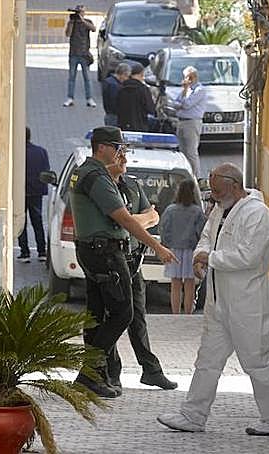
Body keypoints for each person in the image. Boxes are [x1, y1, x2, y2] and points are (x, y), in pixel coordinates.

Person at [157, 163, 269, 437]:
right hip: (218, 300)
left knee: (257, 360)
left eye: (217, 189)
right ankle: (193, 415)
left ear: (233, 185)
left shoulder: (258, 215)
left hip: (247, 301)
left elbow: (249, 257)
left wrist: (210, 258)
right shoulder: (220, 210)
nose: (212, 194)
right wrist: (199, 256)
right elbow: (206, 237)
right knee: (207, 359)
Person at [70, 126, 177, 398]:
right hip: (105, 253)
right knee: (122, 313)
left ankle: (97, 375)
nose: (122, 155)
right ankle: (89, 373)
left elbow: (138, 217)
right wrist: (158, 246)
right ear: (103, 147)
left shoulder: (95, 174)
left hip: (99, 250)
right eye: (119, 149)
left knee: (99, 314)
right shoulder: (96, 175)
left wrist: (141, 223)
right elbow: (125, 219)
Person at [105, 168, 178, 393]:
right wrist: (133, 221)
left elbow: (153, 215)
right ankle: (110, 371)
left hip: (134, 261)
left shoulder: (132, 185)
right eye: (120, 153)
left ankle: (151, 370)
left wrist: (134, 220)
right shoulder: (103, 187)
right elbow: (117, 223)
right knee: (115, 316)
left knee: (138, 316)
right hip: (112, 262)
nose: (124, 159)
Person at [160, 179, 206, 314]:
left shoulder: (170, 210)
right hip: (191, 250)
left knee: (175, 284)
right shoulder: (197, 211)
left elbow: (164, 229)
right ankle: (188, 313)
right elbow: (201, 231)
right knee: (190, 284)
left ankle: (175, 313)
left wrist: (166, 245)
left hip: (174, 250)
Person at [17, 127, 49, 263]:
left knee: (21, 222)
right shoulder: (41, 151)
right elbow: (46, 170)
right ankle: (42, 251)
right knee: (37, 221)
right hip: (36, 192)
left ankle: (25, 252)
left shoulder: (17, 152)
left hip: (21, 192)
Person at [170, 65, 207, 178]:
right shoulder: (187, 90)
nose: (185, 80)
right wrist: (184, 92)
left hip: (192, 122)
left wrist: (181, 102)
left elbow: (186, 104)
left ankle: (196, 177)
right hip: (181, 121)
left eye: (187, 77)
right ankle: (185, 175)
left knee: (191, 152)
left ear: (193, 77)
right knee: (182, 151)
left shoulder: (200, 90)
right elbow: (175, 103)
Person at [64, 4, 97, 108]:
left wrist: (82, 21)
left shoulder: (87, 21)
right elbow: (68, 34)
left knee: (87, 78)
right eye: (78, 12)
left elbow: (93, 29)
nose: (80, 14)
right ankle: (70, 98)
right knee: (71, 78)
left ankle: (89, 98)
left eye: (82, 12)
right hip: (73, 54)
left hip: (84, 54)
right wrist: (71, 23)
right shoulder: (72, 22)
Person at [116, 63, 155, 131]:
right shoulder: (143, 89)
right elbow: (150, 108)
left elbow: (116, 106)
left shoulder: (121, 88)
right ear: (141, 73)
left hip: (123, 125)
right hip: (140, 126)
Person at [101, 62, 131, 126]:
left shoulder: (108, 81)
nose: (127, 79)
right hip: (115, 116)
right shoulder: (115, 86)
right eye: (127, 76)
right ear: (123, 74)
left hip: (109, 113)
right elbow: (115, 102)